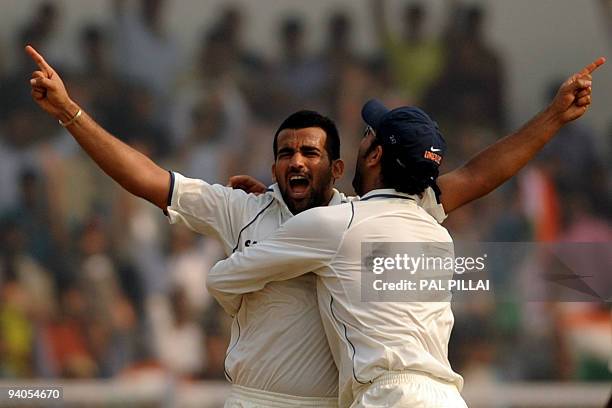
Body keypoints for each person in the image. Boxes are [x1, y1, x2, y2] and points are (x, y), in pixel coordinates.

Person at [26, 43, 603, 406]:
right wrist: (71, 114)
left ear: (341, 166)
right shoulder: (241, 207)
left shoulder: (366, 218)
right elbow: (149, 179)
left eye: (309, 152)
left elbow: (478, 175)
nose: (295, 161)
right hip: (257, 401)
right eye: (285, 152)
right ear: (272, 163)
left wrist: (552, 117)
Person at [207, 88, 604, 407]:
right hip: (446, 397)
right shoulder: (434, 228)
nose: (359, 141)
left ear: (376, 154)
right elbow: (476, 175)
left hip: (387, 397)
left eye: (366, 135)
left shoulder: (336, 223)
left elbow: (223, 277)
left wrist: (280, 226)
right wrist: (553, 118)